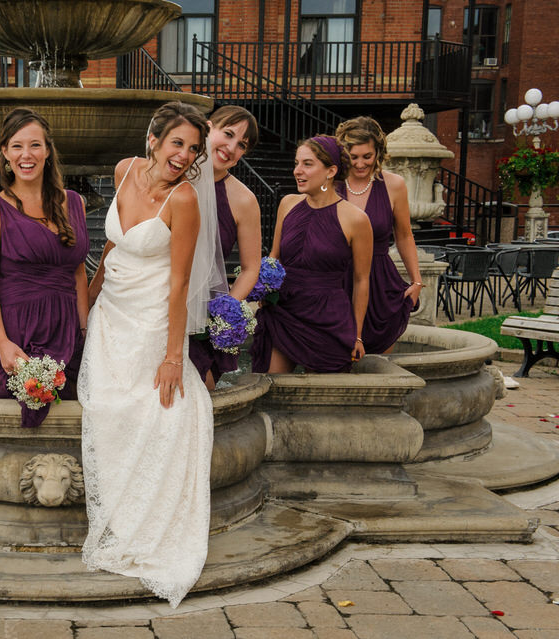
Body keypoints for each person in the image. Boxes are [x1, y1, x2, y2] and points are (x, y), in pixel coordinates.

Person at [79, 102, 220, 608]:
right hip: (111, 313)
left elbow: (180, 282)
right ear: (154, 140)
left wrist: (172, 356)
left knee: (151, 411)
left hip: (154, 318)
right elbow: (112, 248)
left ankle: (145, 518)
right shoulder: (123, 172)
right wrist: (91, 296)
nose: (184, 156)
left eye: (193, 149)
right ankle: (118, 507)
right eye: (177, 143)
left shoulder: (184, 201)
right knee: (103, 407)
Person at [0, 108, 89, 427]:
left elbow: (78, 272)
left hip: (67, 331)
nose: (27, 154)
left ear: (48, 151)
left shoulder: (74, 202)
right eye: (18, 146)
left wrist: (85, 331)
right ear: (5, 153)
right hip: (17, 333)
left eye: (35, 145)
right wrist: (3, 344)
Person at [250, 135, 373, 373]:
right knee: (272, 388)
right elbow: (274, 258)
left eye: (307, 164)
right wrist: (262, 288)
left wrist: (357, 335)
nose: (297, 171)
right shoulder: (287, 204)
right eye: (296, 163)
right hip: (284, 311)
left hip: (327, 318)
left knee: (322, 400)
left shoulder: (356, 219)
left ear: (330, 171)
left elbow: (361, 280)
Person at [188, 105, 262, 389]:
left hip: (204, 316)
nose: (231, 148)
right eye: (228, 134)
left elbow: (251, 268)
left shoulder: (244, 200)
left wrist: (225, 309)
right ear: (208, 128)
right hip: (156, 305)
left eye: (241, 144)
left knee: (200, 390)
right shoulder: (175, 177)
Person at [336, 116, 423, 353]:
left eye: (367, 156)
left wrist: (417, 281)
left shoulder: (394, 185)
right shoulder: (330, 184)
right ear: (344, 155)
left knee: (378, 368)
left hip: (380, 284)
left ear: (378, 153)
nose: (361, 164)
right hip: (336, 283)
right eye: (354, 157)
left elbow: (404, 235)